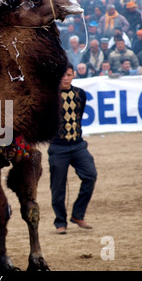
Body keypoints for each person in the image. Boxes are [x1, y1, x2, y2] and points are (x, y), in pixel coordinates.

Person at [48, 62, 97, 235]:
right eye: (62, 75)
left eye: (68, 75)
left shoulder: (80, 94)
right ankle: (60, 222)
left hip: (77, 145)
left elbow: (79, 115)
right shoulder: (50, 96)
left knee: (90, 175)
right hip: (58, 147)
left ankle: (78, 215)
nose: (65, 78)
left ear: (73, 75)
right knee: (58, 188)